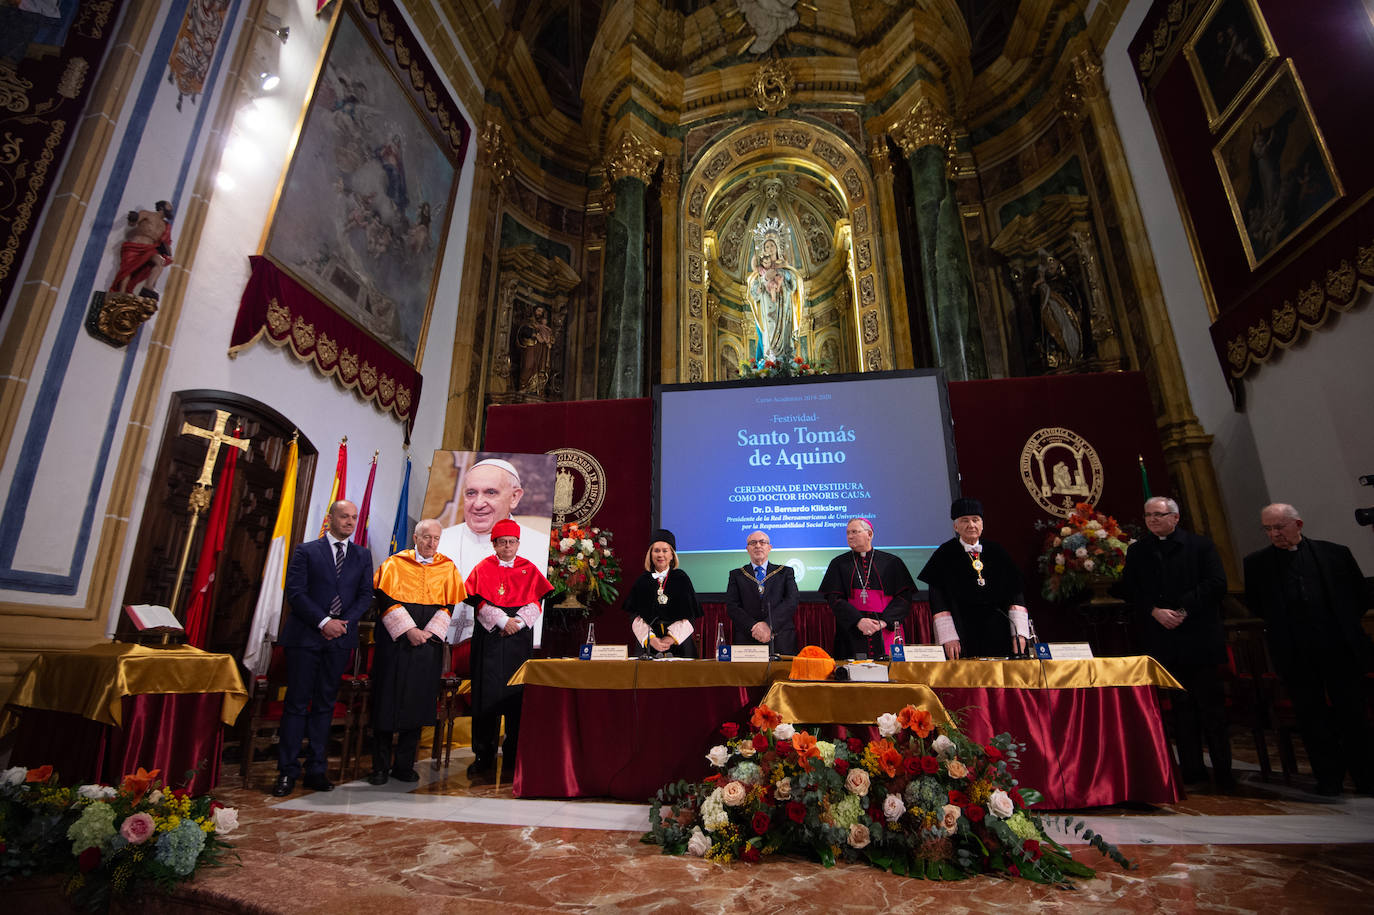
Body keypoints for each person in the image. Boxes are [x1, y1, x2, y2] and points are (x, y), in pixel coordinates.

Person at [1243, 503, 1373, 796]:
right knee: (1311, 717)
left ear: (1298, 524)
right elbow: (1257, 603)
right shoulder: (1256, 563)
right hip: (1295, 651)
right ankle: (1329, 779)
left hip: (1339, 647)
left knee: (1352, 714)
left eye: (1279, 527)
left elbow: (1359, 596)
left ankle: (1367, 777)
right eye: (1268, 529)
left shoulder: (1334, 554)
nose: (1274, 534)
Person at [1119, 497, 1232, 790]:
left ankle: (1223, 772)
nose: (1153, 520)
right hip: (1163, 640)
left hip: (1199, 636)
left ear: (1175, 517)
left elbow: (1216, 584)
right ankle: (1192, 771)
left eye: (1159, 514)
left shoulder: (1200, 546)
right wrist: (1154, 611)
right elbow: (1130, 589)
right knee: (1180, 709)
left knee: (1211, 709)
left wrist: (1182, 610)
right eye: (1148, 516)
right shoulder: (1139, 550)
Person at [275, 500, 374, 796]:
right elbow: (296, 592)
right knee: (296, 704)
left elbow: (365, 594)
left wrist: (344, 622)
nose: (350, 522)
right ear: (329, 518)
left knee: (325, 704)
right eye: (344, 516)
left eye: (354, 518)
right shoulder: (307, 551)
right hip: (305, 638)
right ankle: (287, 771)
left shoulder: (362, 555)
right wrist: (323, 621)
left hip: (340, 640)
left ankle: (316, 769)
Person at [368, 519, 465, 785]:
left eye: (436, 538)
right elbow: (386, 599)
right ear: (415, 537)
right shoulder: (394, 564)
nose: (431, 543)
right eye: (426, 538)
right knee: (387, 703)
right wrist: (409, 630)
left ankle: (404, 764)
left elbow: (449, 605)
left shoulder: (447, 568)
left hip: (427, 647)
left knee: (417, 703)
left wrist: (429, 634)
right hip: (396, 644)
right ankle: (379, 766)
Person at [463, 519, 553, 783]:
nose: (507, 547)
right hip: (490, 643)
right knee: (486, 700)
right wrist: (502, 621)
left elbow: (536, 601)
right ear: (494, 544)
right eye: (502, 542)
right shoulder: (482, 569)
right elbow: (478, 601)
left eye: (512, 542)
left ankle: (513, 754)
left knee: (517, 701)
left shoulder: (528, 569)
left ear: (518, 543)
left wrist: (519, 623)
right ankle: (483, 756)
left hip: (517, 645)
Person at [437, 458, 550, 640]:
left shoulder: (541, 545)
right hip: (444, 647)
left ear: (514, 497)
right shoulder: (440, 541)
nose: (478, 503)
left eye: (490, 492)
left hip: (508, 644)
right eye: (471, 493)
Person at [918, 498, 1030, 660]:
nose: (971, 525)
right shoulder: (944, 553)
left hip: (1000, 631)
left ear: (982, 524)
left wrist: (1019, 634)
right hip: (962, 632)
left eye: (975, 520)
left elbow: (1016, 595)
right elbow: (938, 601)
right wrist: (949, 637)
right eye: (965, 521)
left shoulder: (997, 551)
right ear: (955, 526)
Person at [819, 518, 915, 659]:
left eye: (854, 532)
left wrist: (883, 622)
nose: (850, 536)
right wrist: (858, 620)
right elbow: (834, 599)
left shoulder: (892, 562)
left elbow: (904, 598)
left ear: (869, 534)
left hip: (885, 628)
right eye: (847, 533)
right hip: (852, 628)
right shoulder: (838, 564)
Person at [624, 529, 702, 658]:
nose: (661, 555)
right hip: (648, 647)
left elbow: (690, 616)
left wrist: (671, 638)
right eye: (656, 551)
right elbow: (635, 616)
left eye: (665, 551)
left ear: (672, 555)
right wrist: (652, 639)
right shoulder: (642, 581)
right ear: (650, 554)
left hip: (679, 646)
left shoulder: (682, 578)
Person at [725, 530, 800, 656]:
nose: (758, 545)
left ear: (769, 548)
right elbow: (732, 607)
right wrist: (755, 628)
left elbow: (791, 601)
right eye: (753, 543)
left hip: (780, 639)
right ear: (747, 549)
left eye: (762, 542)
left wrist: (768, 625)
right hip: (748, 639)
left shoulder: (785, 572)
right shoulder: (737, 575)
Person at [111, 201, 174, 299]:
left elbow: (166, 242)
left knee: (160, 261)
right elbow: (133, 223)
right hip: (135, 245)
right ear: (161, 207)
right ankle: (122, 293)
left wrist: (169, 254)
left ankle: (148, 287)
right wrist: (133, 218)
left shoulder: (165, 226)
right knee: (128, 270)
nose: (171, 210)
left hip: (150, 248)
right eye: (169, 207)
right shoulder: (146, 214)